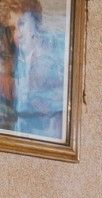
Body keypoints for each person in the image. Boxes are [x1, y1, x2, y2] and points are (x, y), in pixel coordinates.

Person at [0, 0, 65, 139]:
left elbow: (53, 104)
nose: (18, 34)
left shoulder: (52, 56)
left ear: (35, 22)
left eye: (22, 24)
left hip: (48, 138)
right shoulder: (17, 58)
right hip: (22, 135)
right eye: (13, 28)